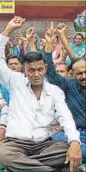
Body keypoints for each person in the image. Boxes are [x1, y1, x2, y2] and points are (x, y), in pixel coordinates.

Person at [0, 16, 82, 171]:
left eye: (40, 69)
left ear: (45, 69)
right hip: (15, 143)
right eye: (31, 70)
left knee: (67, 149)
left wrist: (74, 142)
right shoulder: (15, 81)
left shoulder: (55, 91)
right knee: (4, 154)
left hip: (44, 145)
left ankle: (21, 166)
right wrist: (8, 30)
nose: (36, 74)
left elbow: (65, 117)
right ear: (24, 70)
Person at [44, 23, 86, 159]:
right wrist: (49, 47)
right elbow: (50, 72)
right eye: (79, 73)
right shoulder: (69, 85)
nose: (83, 76)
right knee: (56, 138)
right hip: (75, 134)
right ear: (71, 74)